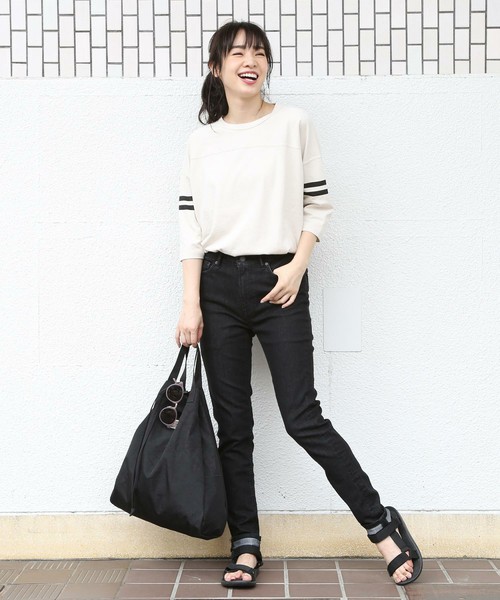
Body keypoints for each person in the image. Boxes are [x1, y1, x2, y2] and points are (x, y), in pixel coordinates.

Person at [175, 20, 422, 589]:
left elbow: (318, 205)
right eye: (238, 53)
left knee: (302, 417)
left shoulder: (294, 124)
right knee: (233, 425)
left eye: (259, 53)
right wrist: (191, 303)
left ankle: (381, 526)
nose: (251, 61)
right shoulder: (200, 143)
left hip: (281, 280)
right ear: (216, 67)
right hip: (216, 285)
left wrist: (296, 266)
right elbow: (189, 227)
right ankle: (245, 544)